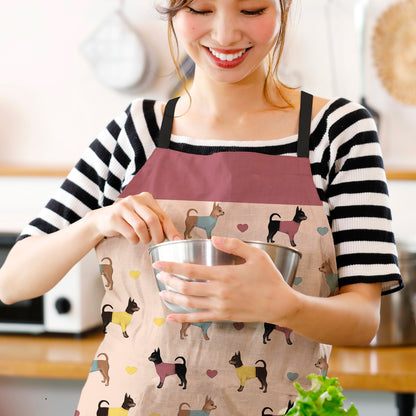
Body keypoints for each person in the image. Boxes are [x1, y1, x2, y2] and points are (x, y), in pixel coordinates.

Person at [0, 0, 403, 414]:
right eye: (200, 9)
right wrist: (95, 222)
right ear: (172, 10)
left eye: (252, 10)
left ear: (283, 7)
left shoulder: (338, 132)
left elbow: (362, 320)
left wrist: (283, 305)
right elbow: (11, 282)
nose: (226, 35)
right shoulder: (136, 132)